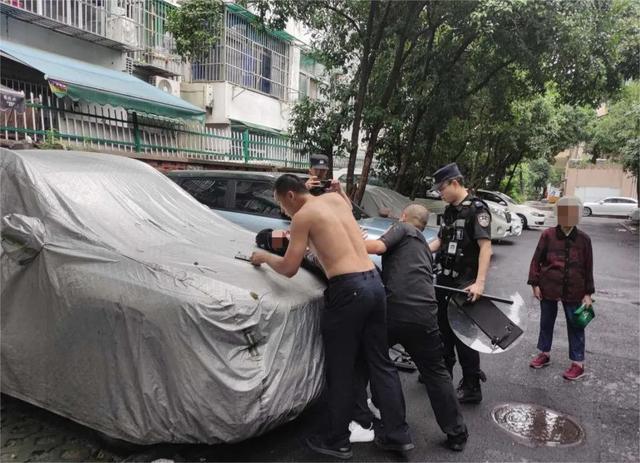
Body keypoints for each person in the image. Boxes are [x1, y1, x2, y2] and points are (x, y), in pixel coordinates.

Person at [250, 174, 413, 459]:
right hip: (374, 283)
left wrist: (263, 258)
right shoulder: (337, 200)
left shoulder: (302, 216)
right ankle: (398, 434)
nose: (282, 211)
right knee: (381, 363)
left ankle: (337, 440)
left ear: (290, 195)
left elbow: (289, 267)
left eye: (280, 203)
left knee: (341, 369)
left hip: (347, 290)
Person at [357, 203, 469, 451]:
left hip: (395, 311)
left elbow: (376, 247)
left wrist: (346, 241)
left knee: (374, 361)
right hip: (426, 315)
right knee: (435, 372)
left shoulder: (403, 228)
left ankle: (381, 422)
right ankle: (457, 433)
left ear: (404, 216)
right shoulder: (423, 247)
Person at [428, 163, 492, 404]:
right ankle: (442, 377)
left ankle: (472, 384)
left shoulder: (477, 209)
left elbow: (486, 247)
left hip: (466, 284)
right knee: (442, 331)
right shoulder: (449, 211)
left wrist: (480, 283)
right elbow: (440, 242)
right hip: (444, 281)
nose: (440, 193)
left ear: (455, 183)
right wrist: (419, 251)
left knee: (464, 337)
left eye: (442, 188)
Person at [527, 196, 594, 380]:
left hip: (575, 289)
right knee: (546, 322)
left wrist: (588, 293)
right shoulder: (547, 235)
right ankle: (544, 353)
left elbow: (588, 267)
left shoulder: (584, 239)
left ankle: (578, 363)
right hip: (549, 286)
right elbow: (536, 260)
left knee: (576, 324)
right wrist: (535, 283)